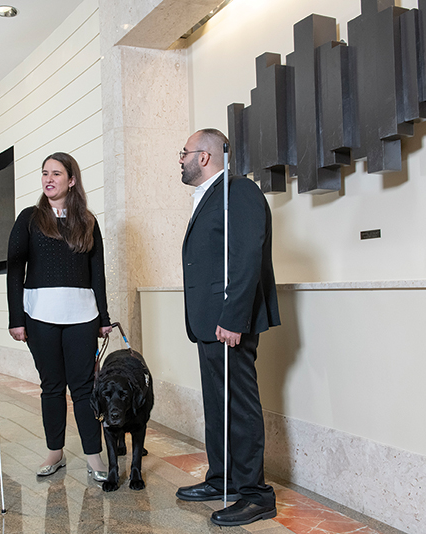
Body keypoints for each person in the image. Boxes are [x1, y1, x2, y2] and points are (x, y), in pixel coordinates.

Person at [174, 129, 280, 527]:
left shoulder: (241, 191)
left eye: (184, 153)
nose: (180, 159)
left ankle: (256, 494)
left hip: (228, 322)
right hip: (209, 323)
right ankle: (224, 479)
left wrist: (234, 317)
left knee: (239, 407)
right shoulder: (211, 197)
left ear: (204, 157)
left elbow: (247, 254)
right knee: (219, 407)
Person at [7, 152, 112, 482]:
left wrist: (103, 317)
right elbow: (14, 271)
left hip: (82, 315)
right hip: (40, 315)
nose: (48, 179)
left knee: (83, 388)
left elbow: (98, 274)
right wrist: (16, 318)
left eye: (56, 173)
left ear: (71, 180)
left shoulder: (88, 221)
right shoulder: (28, 219)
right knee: (52, 386)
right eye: (44, 173)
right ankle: (55, 452)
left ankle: (94, 456)